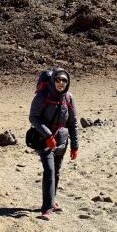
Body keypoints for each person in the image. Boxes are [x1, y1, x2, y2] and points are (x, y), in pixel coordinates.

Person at [29, 67, 79, 220]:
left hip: (62, 140)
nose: (61, 83)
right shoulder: (42, 96)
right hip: (44, 140)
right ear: (53, 81)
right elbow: (34, 118)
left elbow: (73, 123)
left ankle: (52, 201)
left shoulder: (68, 98)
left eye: (64, 80)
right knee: (49, 171)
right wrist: (48, 135)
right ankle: (47, 209)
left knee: (56, 171)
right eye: (58, 79)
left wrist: (75, 145)